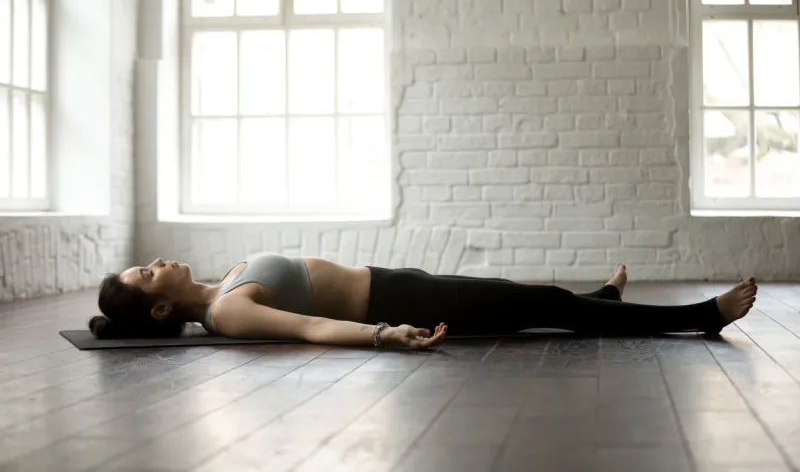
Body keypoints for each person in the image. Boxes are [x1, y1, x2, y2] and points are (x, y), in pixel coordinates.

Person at [89, 253, 758, 350]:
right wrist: (385, 335)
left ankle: (601, 296)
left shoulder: (220, 282)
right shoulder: (227, 310)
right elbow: (313, 327)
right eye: (149, 274)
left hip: (397, 279)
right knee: (544, 305)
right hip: (398, 300)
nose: (159, 262)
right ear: (157, 308)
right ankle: (702, 317)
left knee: (535, 300)